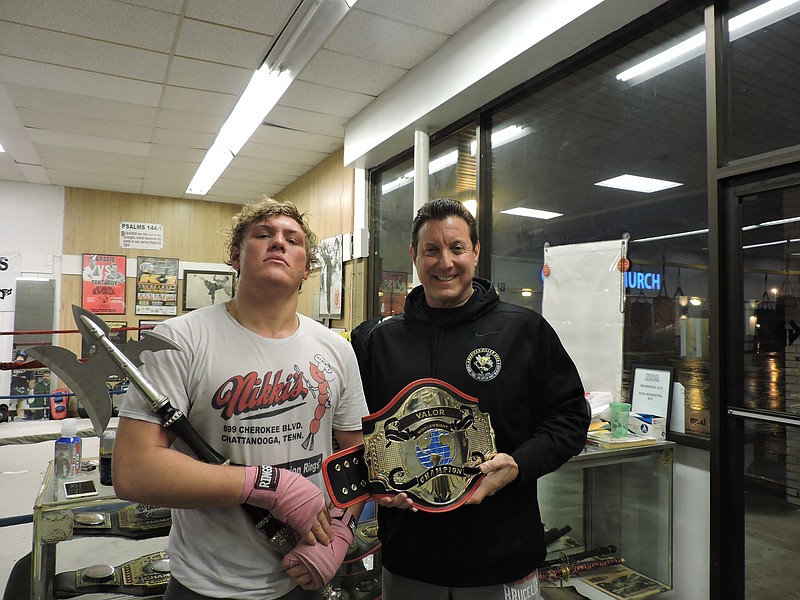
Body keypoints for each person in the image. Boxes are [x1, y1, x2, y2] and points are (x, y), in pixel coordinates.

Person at [113, 198, 369, 600]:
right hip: (205, 583)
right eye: (263, 234)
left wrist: (339, 535)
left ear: (307, 268)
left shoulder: (336, 349)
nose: (278, 243)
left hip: (303, 573)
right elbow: (133, 470)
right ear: (235, 256)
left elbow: (357, 458)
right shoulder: (180, 340)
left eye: (292, 239)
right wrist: (267, 484)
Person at [350, 198, 590, 599]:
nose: (445, 262)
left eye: (457, 248)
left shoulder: (524, 331)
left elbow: (569, 419)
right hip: (409, 559)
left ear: (476, 252)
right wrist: (373, 482)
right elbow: (353, 433)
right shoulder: (375, 339)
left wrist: (518, 464)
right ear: (414, 256)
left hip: (502, 556)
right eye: (431, 250)